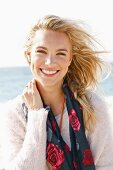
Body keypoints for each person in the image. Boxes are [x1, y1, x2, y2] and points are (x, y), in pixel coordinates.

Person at [0, 14, 113, 170]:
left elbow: (106, 166)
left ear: (70, 59)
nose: (49, 62)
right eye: (41, 51)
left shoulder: (92, 106)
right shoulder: (14, 113)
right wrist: (36, 114)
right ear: (28, 56)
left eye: (60, 53)